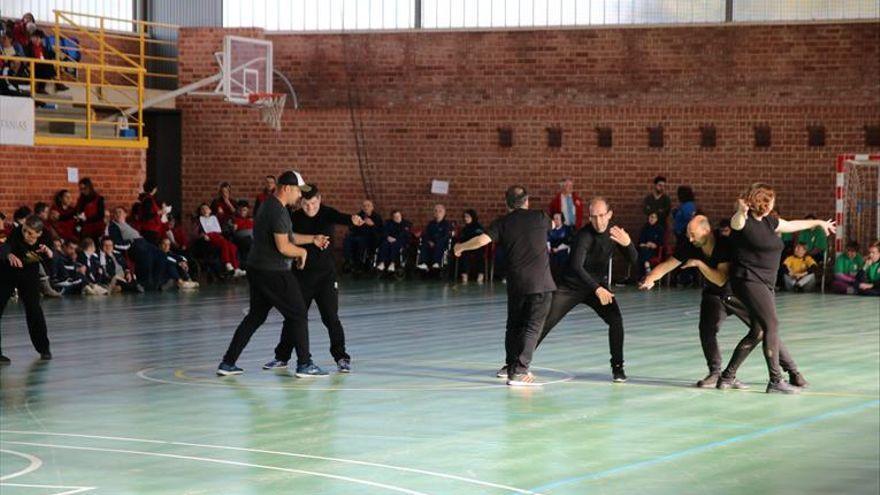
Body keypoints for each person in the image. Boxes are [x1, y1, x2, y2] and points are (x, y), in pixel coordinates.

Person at [639, 215, 806, 388]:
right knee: (707, 330)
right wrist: (651, 277)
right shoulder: (691, 245)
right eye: (689, 235)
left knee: (765, 329)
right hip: (714, 295)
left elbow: (720, 278)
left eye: (693, 234)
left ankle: (793, 372)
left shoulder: (724, 245)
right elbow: (669, 264)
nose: (690, 238)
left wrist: (699, 264)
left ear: (706, 231)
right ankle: (715, 372)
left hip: (737, 294)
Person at [718, 183, 835, 394]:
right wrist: (740, 211)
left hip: (765, 284)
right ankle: (775, 380)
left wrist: (817, 223)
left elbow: (791, 225)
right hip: (748, 281)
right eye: (771, 199)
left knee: (758, 331)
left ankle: (727, 376)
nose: (774, 203)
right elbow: (736, 223)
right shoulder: (743, 222)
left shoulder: (770, 221)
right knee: (772, 325)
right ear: (763, 202)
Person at [217, 171, 327, 377]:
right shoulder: (278, 211)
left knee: (255, 316)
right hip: (273, 271)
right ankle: (305, 364)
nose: (300, 197)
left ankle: (227, 363)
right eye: (298, 192)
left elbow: (288, 236)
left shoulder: (269, 205)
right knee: (298, 313)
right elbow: (284, 246)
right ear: (286, 188)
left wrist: (312, 239)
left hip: (257, 268)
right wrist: (302, 252)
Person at [454, 186, 556, 386]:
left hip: (517, 284)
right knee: (532, 327)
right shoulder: (541, 217)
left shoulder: (502, 223)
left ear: (506, 204)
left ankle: (509, 365)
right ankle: (519, 371)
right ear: (527, 201)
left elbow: (481, 241)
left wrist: (461, 246)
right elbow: (553, 224)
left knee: (514, 326)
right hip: (541, 284)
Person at [531, 197, 637, 383]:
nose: (597, 221)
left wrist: (628, 244)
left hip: (596, 287)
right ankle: (517, 364)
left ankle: (618, 369)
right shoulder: (584, 235)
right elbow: (576, 266)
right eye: (593, 217)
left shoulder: (614, 233)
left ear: (610, 214)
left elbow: (633, 261)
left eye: (602, 216)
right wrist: (597, 288)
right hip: (572, 286)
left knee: (616, 321)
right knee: (545, 321)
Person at [265, 185, 364, 373]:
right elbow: (286, 239)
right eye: (305, 204)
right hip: (301, 277)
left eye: (313, 203)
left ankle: (341, 357)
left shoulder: (327, 213)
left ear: (319, 199)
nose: (309, 207)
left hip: (326, 277)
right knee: (294, 318)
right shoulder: (293, 218)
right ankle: (281, 357)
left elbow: (342, 217)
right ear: (300, 202)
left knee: (331, 318)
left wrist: (353, 219)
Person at [1, 215, 54, 364]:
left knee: (34, 309)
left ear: (39, 233)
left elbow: (50, 263)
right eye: (25, 231)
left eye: (30, 233)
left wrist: (50, 255)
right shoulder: (16, 232)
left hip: (29, 273)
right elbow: (4, 246)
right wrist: (9, 254)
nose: (26, 235)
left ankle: (44, 349)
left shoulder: (46, 238)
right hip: (7, 272)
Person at [108, 207, 165, 291]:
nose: (117, 214)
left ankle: (157, 283)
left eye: (120, 212)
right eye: (116, 213)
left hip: (143, 242)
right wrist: (129, 243)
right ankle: (145, 284)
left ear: (125, 214)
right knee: (147, 257)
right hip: (134, 245)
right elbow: (116, 243)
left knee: (161, 255)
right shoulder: (113, 226)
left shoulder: (128, 224)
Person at [197, 203, 245, 277]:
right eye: (202, 209)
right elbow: (198, 233)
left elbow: (219, 229)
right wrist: (204, 235)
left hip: (217, 235)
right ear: (200, 212)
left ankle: (236, 269)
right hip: (209, 237)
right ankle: (227, 264)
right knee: (224, 243)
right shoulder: (199, 220)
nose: (205, 210)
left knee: (232, 246)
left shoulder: (214, 218)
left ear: (210, 210)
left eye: (206, 208)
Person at [344, 199, 383, 272]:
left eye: (368, 206)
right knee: (348, 239)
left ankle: (360, 264)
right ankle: (348, 261)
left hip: (372, 238)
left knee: (361, 241)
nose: (366, 208)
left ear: (372, 207)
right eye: (364, 206)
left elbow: (380, 231)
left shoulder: (377, 217)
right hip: (358, 235)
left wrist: (372, 225)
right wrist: (354, 224)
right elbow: (352, 228)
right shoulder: (359, 216)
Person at [417, 204, 452, 271]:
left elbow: (446, 236)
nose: (437, 213)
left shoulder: (447, 224)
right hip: (431, 242)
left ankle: (436, 262)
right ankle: (424, 263)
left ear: (444, 213)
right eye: (436, 211)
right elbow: (427, 234)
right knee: (424, 243)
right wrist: (429, 241)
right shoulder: (431, 224)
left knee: (440, 244)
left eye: (440, 211)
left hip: (441, 243)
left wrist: (436, 242)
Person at [457, 209, 486, 283]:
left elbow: (479, 239)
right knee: (463, 253)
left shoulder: (478, 227)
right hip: (466, 248)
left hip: (477, 247)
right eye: (465, 217)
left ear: (473, 217)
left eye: (468, 217)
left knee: (479, 254)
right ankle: (464, 274)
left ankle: (481, 274)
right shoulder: (465, 229)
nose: (466, 219)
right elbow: (461, 239)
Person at [637, 212, 665, 278]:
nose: (652, 219)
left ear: (657, 219)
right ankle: (647, 266)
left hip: (654, 250)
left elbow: (661, 242)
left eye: (654, 217)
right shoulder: (645, 228)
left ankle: (644, 274)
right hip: (644, 248)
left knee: (643, 254)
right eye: (650, 217)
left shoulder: (659, 229)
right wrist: (646, 244)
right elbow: (640, 242)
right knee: (643, 250)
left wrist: (654, 245)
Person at [547, 212, 572, 277]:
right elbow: (548, 240)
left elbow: (569, 241)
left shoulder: (567, 229)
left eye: (557, 218)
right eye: (554, 219)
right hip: (552, 253)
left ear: (562, 220)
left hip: (563, 251)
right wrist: (549, 248)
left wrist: (558, 249)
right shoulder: (551, 229)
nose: (555, 220)